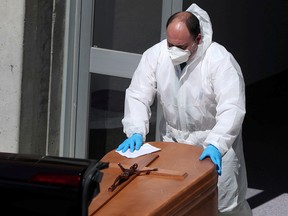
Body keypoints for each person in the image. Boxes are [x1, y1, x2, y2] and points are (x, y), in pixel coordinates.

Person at [116, 3, 252, 216]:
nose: (173, 51)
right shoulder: (156, 55)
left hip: (213, 145)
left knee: (223, 208)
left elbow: (232, 108)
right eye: (170, 44)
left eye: (181, 46)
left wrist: (216, 144)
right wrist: (135, 129)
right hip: (174, 143)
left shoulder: (219, 61)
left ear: (198, 39)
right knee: (177, 204)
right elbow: (138, 94)